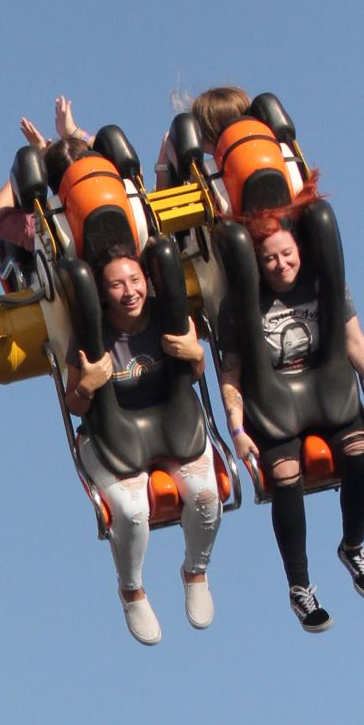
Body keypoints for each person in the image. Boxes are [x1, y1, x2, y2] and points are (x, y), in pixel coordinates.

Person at [216, 197, 364, 631]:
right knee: (286, 475)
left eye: (287, 254)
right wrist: (236, 428)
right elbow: (231, 375)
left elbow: (354, 342)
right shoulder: (236, 307)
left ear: (300, 249)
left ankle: (353, 545)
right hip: (274, 400)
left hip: (324, 385)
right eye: (269, 259)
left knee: (360, 452)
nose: (280, 265)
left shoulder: (323, 285)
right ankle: (300, 586)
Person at [63, 250, 220, 645]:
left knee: (204, 496)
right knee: (133, 511)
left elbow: (195, 373)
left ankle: (195, 572)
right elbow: (74, 403)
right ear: (101, 293)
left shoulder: (168, 315)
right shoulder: (89, 335)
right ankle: (132, 590)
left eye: (135, 280)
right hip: (115, 435)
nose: (128, 291)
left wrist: (197, 354)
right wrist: (89, 382)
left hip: (171, 423)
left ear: (148, 282)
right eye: (116, 284)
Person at [0, 96, 93, 267]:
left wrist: (36, 164)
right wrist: (74, 132)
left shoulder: (45, 228)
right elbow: (129, 166)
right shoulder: (127, 201)